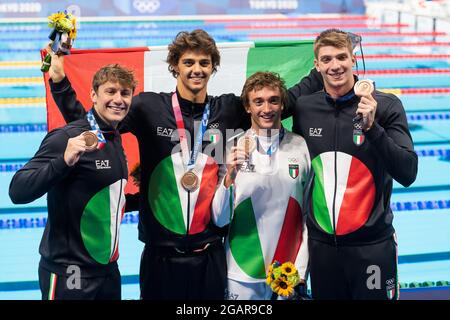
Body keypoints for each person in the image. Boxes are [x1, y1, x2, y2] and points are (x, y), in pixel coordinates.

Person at [47, 29, 323, 299]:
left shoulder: (227, 110)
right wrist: (60, 83)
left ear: (213, 67)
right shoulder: (149, 108)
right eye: (188, 62)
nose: (196, 69)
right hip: (160, 256)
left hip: (210, 255)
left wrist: (321, 67)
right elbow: (97, 125)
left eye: (204, 63)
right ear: (175, 67)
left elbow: (279, 103)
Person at [291, 28, 418, 299]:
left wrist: (373, 128)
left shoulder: (385, 106)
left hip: (372, 247)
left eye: (341, 57)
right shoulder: (305, 108)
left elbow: (408, 172)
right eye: (326, 59)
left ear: (353, 60)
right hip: (323, 248)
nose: (335, 66)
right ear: (317, 65)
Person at [9, 64, 137, 300]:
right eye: (111, 91)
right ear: (93, 95)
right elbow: (17, 191)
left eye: (125, 93)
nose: (118, 99)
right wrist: (63, 161)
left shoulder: (112, 137)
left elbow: (104, 200)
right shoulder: (66, 138)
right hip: (70, 273)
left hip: (107, 271)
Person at [212, 72, 310, 300]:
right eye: (258, 101)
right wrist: (230, 177)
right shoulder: (230, 147)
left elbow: (307, 215)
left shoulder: (300, 146)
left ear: (282, 104)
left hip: (288, 270)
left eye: (273, 100)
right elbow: (219, 219)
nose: (267, 108)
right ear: (247, 106)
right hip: (241, 271)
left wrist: (301, 269)